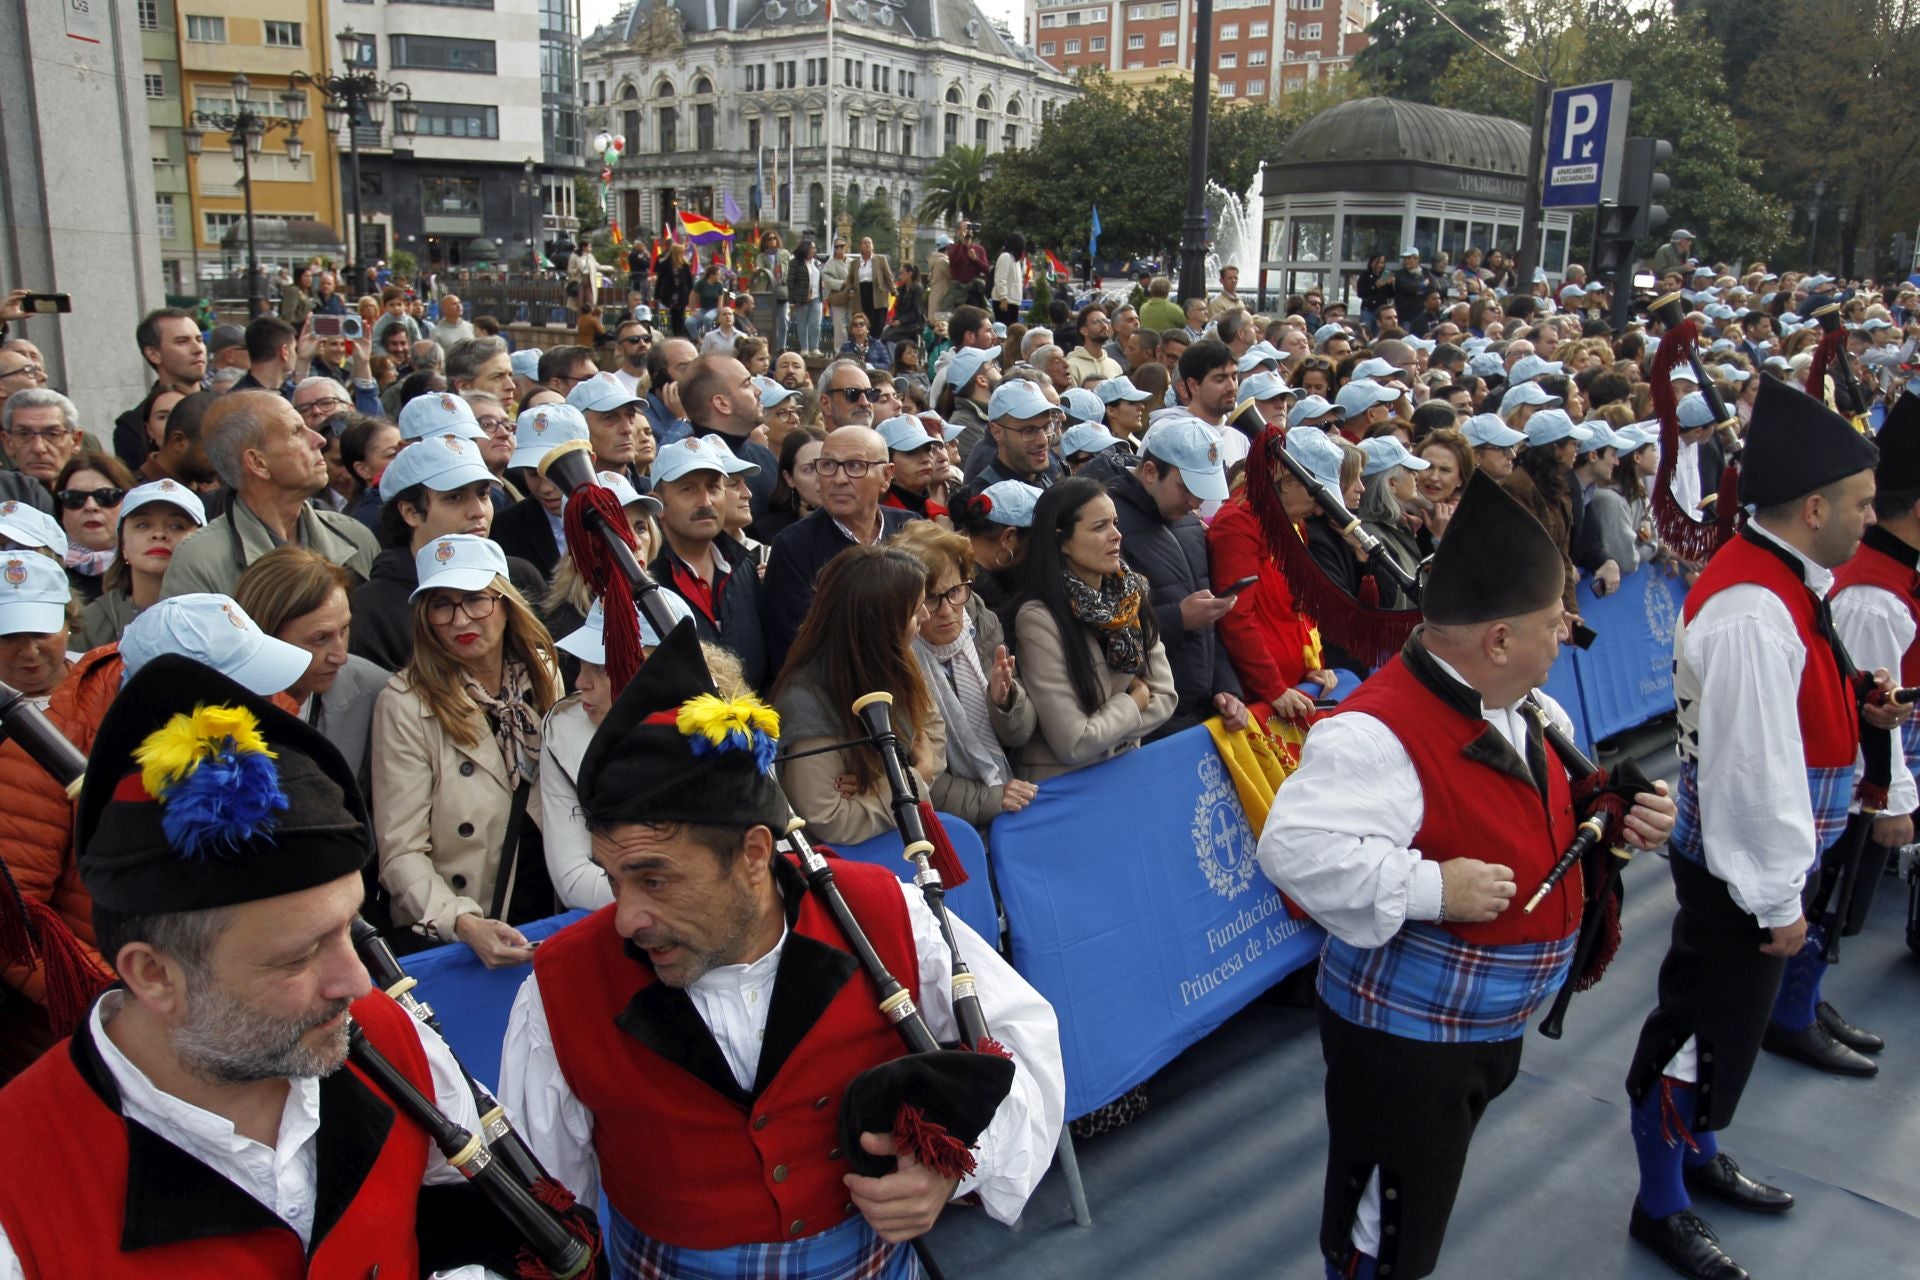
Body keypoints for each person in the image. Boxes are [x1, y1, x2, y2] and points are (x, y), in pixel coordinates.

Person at [497, 617, 1062, 1273]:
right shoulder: (564, 986)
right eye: (613, 878)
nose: (626, 918)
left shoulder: (881, 914)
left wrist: (949, 1166)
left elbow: (1021, 1041)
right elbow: (547, 1204)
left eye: (655, 878)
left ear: (753, 854)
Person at [0, 652, 588, 1276]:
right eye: (298, 954)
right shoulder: (20, 1187)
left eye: (347, 928)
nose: (356, 981)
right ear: (153, 975)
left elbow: (487, 1225)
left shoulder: (396, 1044)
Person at [1259, 470, 1674, 1280]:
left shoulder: (1531, 708)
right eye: (1555, 623)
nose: (1569, 635)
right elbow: (1294, 850)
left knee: (1417, 1209)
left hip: (1480, 1031)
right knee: (1388, 1225)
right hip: (1404, 1044)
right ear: (1498, 639)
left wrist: (1619, 817)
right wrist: (1432, 890)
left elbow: (1552, 809)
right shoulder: (1374, 736)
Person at [1622, 376, 1887, 1280]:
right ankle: (1660, 1203)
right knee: (1697, 1033)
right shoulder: (1750, 610)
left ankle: (1695, 1155)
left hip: (1758, 867)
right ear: (1814, 507)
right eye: (1860, 503)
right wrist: (1778, 897)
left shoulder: (1784, 583)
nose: (1871, 517)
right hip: (1741, 873)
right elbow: (1750, 775)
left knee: (1726, 1037)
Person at [371, 535, 561, 966]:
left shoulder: (543, 673)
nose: (460, 620)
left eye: (476, 599)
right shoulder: (406, 702)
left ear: (505, 602)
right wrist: (462, 922)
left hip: (549, 905)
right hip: (465, 928)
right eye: (442, 604)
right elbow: (401, 852)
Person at [772, 545, 947, 842]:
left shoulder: (897, 660)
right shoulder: (806, 702)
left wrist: (877, 785)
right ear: (881, 623)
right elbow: (828, 819)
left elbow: (933, 736)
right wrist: (912, 779)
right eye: (916, 610)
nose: (927, 616)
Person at [537, 593, 697, 911]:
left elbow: (770, 844)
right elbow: (573, 877)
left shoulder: (728, 722)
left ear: (658, 669)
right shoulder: (564, 729)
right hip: (629, 919)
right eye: (581, 664)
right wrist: (676, 896)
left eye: (601, 668)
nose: (581, 681)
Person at [1012, 477, 1176, 781]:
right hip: (1065, 783)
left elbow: (1166, 697)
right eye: (1100, 527)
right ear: (1062, 542)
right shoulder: (1038, 618)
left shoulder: (1131, 593)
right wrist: (1133, 702)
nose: (1117, 535)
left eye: (1115, 523)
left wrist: (1103, 729)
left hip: (1122, 767)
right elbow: (1073, 742)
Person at [351, 426, 548, 674]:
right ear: (410, 512)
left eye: (483, 494)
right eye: (455, 497)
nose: (478, 511)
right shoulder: (372, 608)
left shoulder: (518, 576)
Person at [892, 519, 1038, 828]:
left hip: (1006, 794)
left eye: (956, 590)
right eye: (930, 598)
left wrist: (1005, 702)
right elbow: (921, 774)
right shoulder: (894, 657)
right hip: (945, 822)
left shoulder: (980, 622)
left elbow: (1020, 734)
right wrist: (991, 799)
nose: (946, 610)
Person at [162, 391, 379, 599]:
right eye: (296, 431)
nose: (319, 440)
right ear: (257, 463)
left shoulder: (355, 538)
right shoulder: (199, 563)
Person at [1108, 417, 1246, 737]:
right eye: (1187, 490)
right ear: (1151, 472)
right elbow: (1106, 626)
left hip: (1199, 713)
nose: (1196, 503)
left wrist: (1225, 687)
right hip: (1151, 719)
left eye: (1202, 492)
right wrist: (1178, 619)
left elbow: (1208, 623)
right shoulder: (1109, 523)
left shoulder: (1188, 522)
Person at [760, 426, 916, 671]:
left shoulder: (910, 528)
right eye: (828, 466)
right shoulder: (794, 546)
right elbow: (795, 647)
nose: (839, 479)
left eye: (855, 466)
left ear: (886, 476)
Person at [234, 545, 390, 787]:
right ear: (266, 635)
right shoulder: (215, 701)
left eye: (344, 630)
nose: (341, 656)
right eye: (320, 639)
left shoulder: (378, 691)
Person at [1206, 429, 1329, 718]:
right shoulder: (1239, 522)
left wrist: (1314, 666)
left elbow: (1298, 607)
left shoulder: (1293, 519)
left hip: (1294, 687)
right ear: (1287, 483)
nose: (1322, 511)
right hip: (1262, 697)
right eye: (1316, 494)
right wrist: (1272, 686)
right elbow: (1236, 616)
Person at [649, 436, 770, 690]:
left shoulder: (746, 567)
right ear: (658, 503)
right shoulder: (648, 580)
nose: (705, 501)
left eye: (714, 487)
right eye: (688, 489)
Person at [75, 479, 204, 650]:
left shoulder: (225, 614)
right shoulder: (89, 625)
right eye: (143, 525)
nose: (159, 534)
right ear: (123, 545)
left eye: (177, 526)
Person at [1500, 409, 1586, 615]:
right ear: (1556, 448)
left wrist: (1570, 611)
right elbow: (1522, 558)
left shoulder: (1559, 490)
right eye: (1574, 443)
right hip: (1521, 607)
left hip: (1547, 606)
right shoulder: (1515, 488)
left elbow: (1562, 555)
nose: (1577, 450)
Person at [113, 308, 206, 472]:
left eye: (199, 339)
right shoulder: (132, 427)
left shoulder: (229, 408)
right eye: (182, 341)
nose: (198, 349)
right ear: (153, 354)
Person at [1355, 437, 1429, 608]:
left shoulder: (1394, 525)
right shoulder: (1371, 533)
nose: (1416, 476)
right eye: (1410, 470)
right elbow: (1400, 603)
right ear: (1391, 483)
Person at [51, 452, 134, 606]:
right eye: (75, 498)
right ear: (61, 510)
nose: (90, 506)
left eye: (106, 496)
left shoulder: (147, 565)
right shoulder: (46, 570)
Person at [978, 379, 1062, 489]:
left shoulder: (1044, 478)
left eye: (1046, 427)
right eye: (1029, 431)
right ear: (997, 432)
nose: (1043, 440)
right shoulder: (987, 498)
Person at [1, 389, 84, 487]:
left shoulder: (97, 497)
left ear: (75, 441)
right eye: (24, 434)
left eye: (52, 434)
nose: (38, 448)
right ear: (8, 443)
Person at [787, 238, 823, 355]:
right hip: (801, 298)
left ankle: (814, 348)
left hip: (816, 297)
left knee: (815, 323)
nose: (814, 250)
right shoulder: (795, 262)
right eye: (812, 247)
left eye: (814, 248)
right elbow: (791, 281)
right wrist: (792, 300)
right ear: (805, 249)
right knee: (802, 323)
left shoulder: (816, 262)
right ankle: (804, 348)